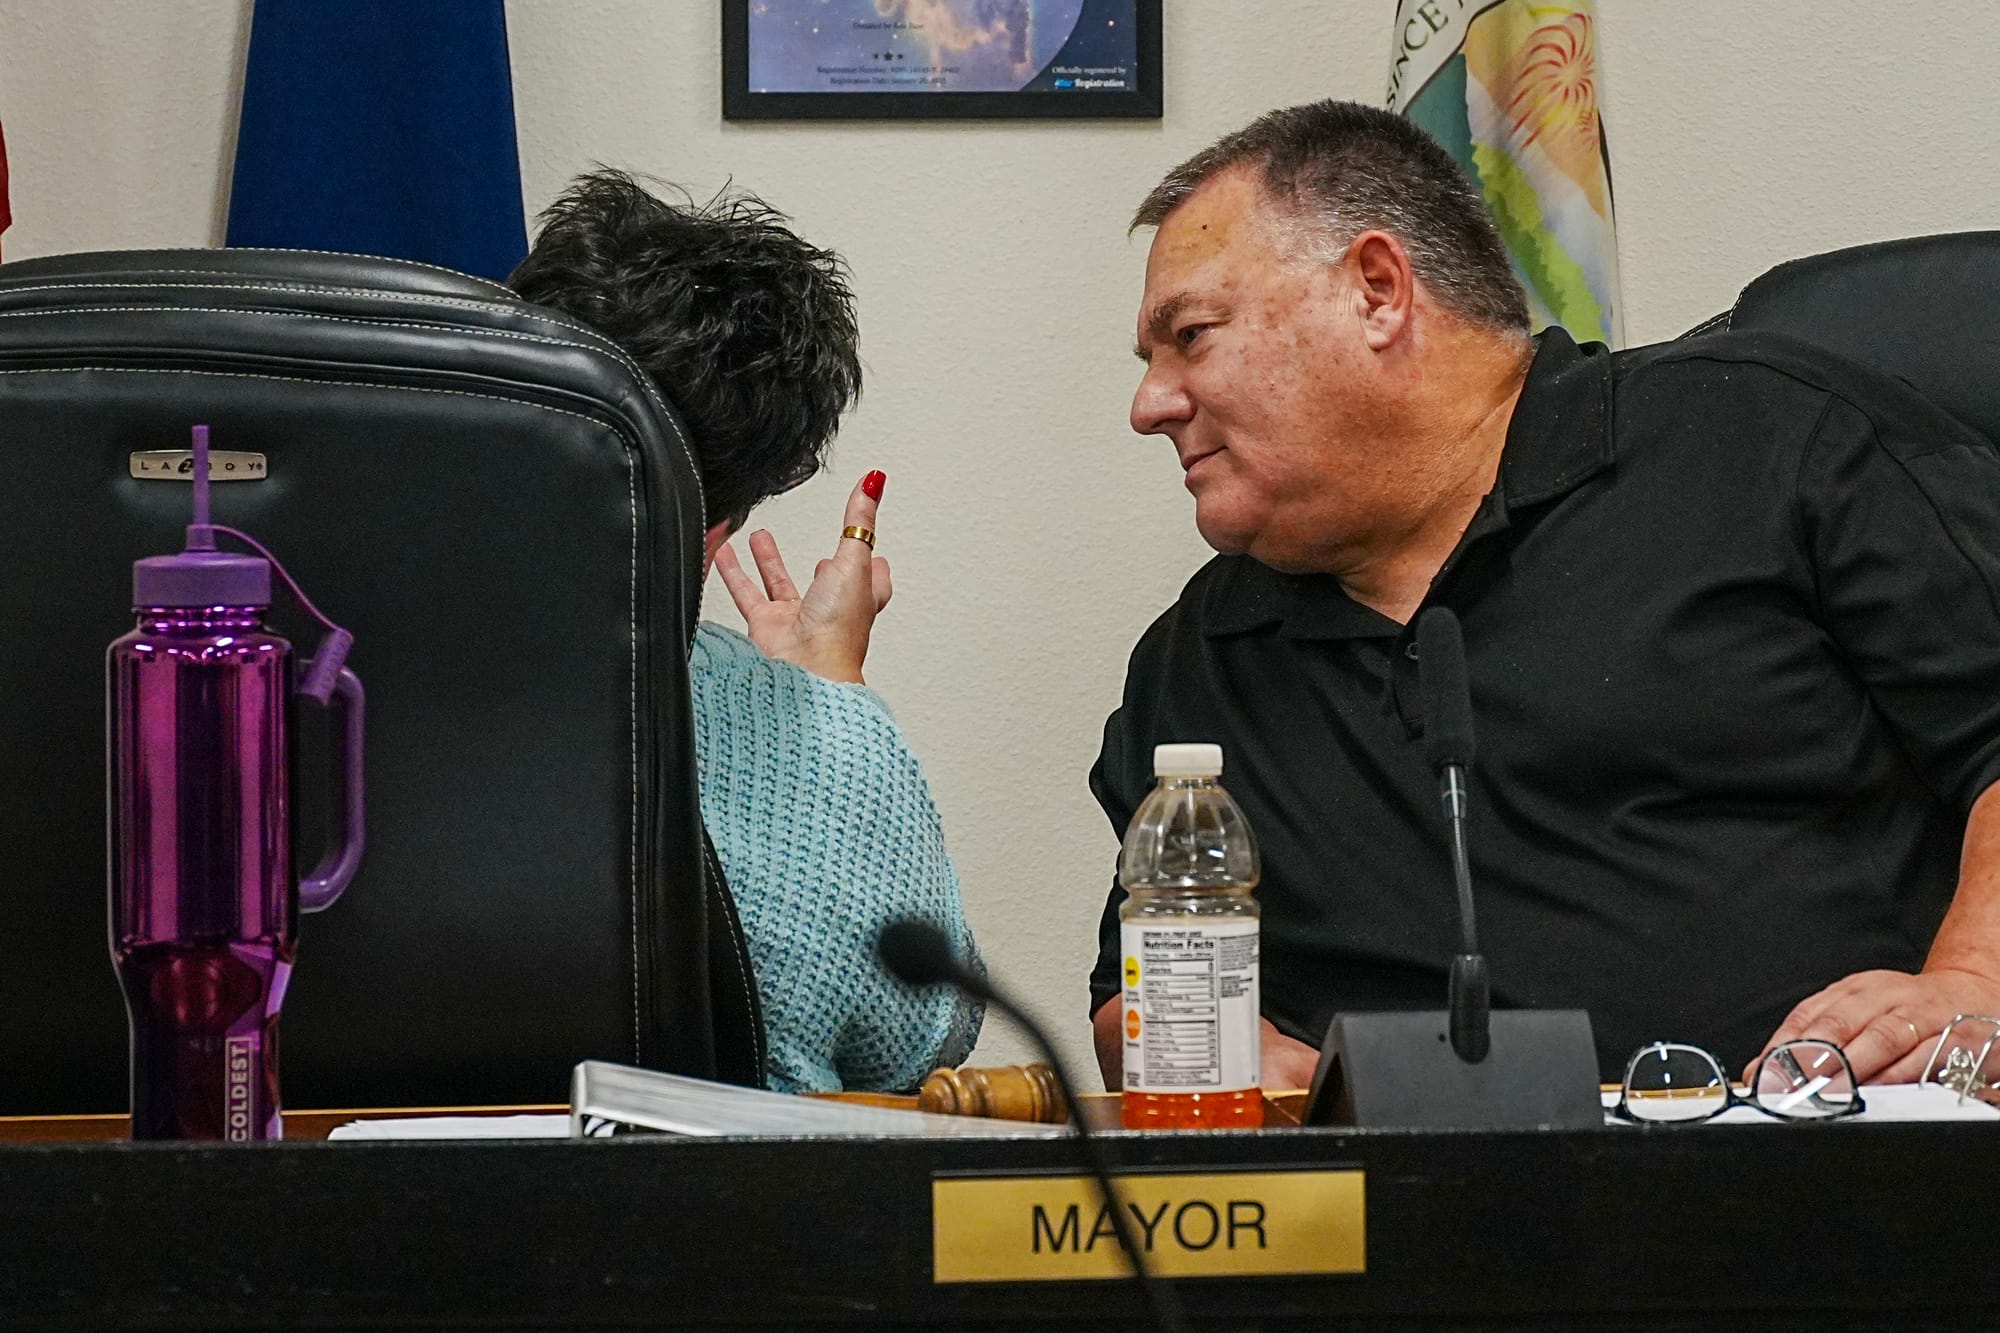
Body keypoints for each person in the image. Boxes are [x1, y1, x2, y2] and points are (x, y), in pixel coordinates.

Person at [1089, 100, 2000, 1091]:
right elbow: (1129, 995)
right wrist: (1243, 1067)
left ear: (1377, 290)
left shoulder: (1771, 444)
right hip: (1404, 1217)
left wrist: (1970, 983)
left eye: (1189, 336)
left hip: (1830, 1183)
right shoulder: (1198, 656)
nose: (1150, 405)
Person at [510, 169, 981, 1094]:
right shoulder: (829, 748)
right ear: (726, 512)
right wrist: (828, 705)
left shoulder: (255, 671)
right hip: (712, 1216)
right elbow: (924, 1041)